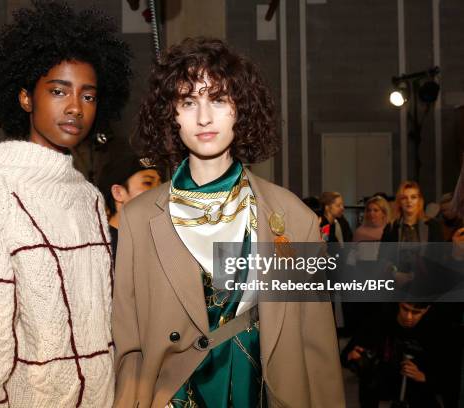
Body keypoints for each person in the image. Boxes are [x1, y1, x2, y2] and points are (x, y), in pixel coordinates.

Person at [112, 37, 344, 408]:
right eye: (188, 102)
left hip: (262, 392)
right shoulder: (139, 220)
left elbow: (316, 346)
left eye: (218, 99)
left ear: (241, 109)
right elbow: (128, 344)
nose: (204, 118)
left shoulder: (294, 218)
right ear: (171, 115)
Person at [0, 1, 131, 407]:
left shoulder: (89, 198)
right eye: (58, 91)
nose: (76, 107)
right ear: (26, 98)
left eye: (89, 95)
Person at [342, 302, 441, 408]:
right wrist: (352, 356)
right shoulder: (379, 319)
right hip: (383, 377)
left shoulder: (435, 328)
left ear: (426, 309)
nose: (408, 317)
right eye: (405, 309)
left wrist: (424, 377)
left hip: (415, 383)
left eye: (416, 312)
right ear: (399, 303)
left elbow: (448, 375)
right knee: (369, 376)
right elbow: (344, 356)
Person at [98, 155, 161, 253]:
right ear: (118, 192)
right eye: (148, 183)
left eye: (160, 184)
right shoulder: (100, 249)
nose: (159, 191)